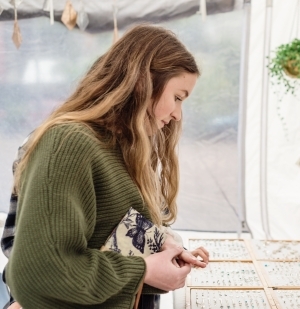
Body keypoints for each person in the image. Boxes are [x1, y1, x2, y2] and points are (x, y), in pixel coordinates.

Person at [3, 24, 209, 309]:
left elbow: (107, 240)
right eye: (177, 97)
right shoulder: (69, 142)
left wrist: (164, 250)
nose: (177, 114)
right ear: (143, 82)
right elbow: (42, 273)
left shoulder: (123, 148)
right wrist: (145, 270)